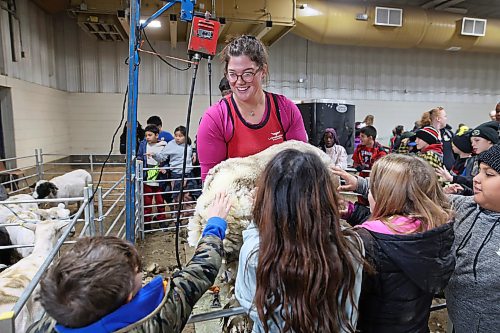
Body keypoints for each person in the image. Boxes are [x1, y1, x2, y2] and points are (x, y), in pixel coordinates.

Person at [28, 192, 232, 333]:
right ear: (127, 298)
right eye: (137, 272)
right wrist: (215, 224)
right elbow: (200, 271)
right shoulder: (155, 319)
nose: (142, 275)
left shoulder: (48, 323)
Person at [235, 149, 365, 333]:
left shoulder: (255, 254)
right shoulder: (350, 247)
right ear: (325, 197)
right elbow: (350, 309)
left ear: (268, 200)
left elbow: (248, 302)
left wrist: (256, 219)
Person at [332, 154, 454, 333]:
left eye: (372, 189)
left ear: (387, 197)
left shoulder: (365, 242)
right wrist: (353, 212)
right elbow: (394, 231)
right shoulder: (435, 230)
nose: (369, 193)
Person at [197, 35, 307, 180]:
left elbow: (300, 167)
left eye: (248, 74)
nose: (239, 81)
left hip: (279, 196)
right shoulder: (216, 118)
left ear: (263, 71)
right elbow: (210, 181)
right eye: (232, 74)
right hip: (236, 198)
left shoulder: (285, 110)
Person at [444, 145, 500, 332]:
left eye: (489, 174)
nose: (476, 178)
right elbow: (421, 197)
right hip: (458, 317)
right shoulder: (466, 207)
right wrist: (361, 185)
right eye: (479, 171)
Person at [436, 121, 498, 192]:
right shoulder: (474, 160)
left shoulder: (495, 161)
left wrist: (453, 178)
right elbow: (474, 188)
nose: (473, 144)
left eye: (477, 140)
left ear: (489, 140)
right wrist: (463, 190)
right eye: (472, 142)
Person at [150, 126, 199, 202]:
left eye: (180, 136)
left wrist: (194, 154)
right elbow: (162, 157)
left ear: (185, 137)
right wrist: (154, 155)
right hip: (176, 174)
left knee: (188, 196)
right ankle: (176, 213)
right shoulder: (171, 144)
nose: (177, 138)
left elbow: (191, 153)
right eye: (176, 135)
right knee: (177, 197)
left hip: (188, 174)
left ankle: (187, 213)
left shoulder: (188, 144)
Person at [137, 125, 168, 229]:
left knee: (160, 201)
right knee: (147, 201)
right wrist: (139, 160)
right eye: (146, 135)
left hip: (159, 177)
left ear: (157, 135)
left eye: (150, 135)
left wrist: (165, 168)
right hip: (147, 176)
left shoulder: (164, 145)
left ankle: (162, 220)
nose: (147, 137)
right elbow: (140, 156)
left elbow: (168, 160)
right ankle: (147, 223)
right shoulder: (143, 144)